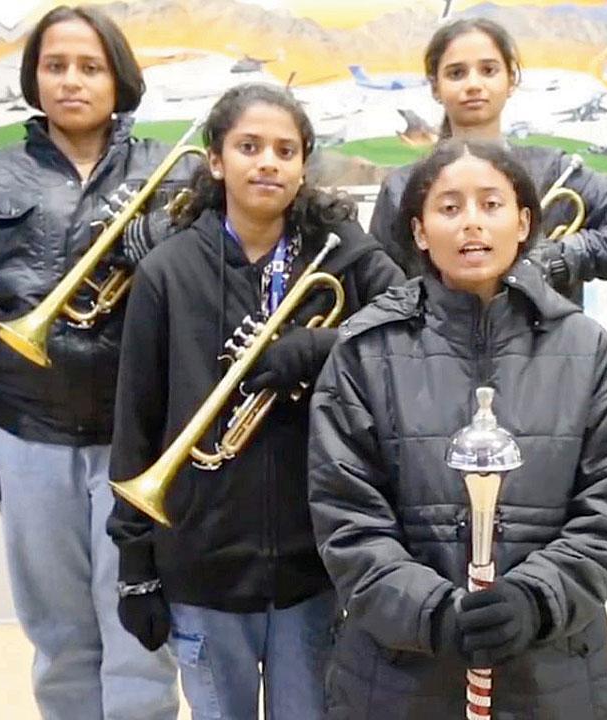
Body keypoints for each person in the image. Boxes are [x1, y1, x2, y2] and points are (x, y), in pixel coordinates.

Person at [307, 139, 607, 718]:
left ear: (523, 224)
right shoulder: (365, 352)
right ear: (418, 231)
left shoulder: (584, 347)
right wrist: (432, 612)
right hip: (400, 678)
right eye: (449, 208)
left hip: (554, 671)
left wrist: (537, 597)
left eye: (491, 205)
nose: (472, 223)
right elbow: (346, 517)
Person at [106, 82, 404, 719]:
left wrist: (317, 348)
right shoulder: (168, 269)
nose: (267, 161)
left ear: (303, 165)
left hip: (312, 553)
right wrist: (136, 563)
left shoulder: (341, 251)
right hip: (203, 554)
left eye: (285, 149)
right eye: (249, 146)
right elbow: (136, 416)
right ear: (216, 161)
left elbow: (409, 321)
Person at [0, 6, 190, 717]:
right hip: (26, 431)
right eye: (55, 65)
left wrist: (170, 242)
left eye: (89, 66)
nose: (71, 81)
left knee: (139, 624)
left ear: (119, 79)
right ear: (33, 78)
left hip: (141, 433)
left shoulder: (173, 174)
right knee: (57, 628)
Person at [367, 17, 607, 301]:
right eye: (456, 73)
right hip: (432, 356)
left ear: (511, 79)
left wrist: (564, 257)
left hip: (547, 353)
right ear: (436, 87)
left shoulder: (557, 171)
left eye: (489, 70)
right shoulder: (401, 188)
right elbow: (378, 292)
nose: (474, 84)